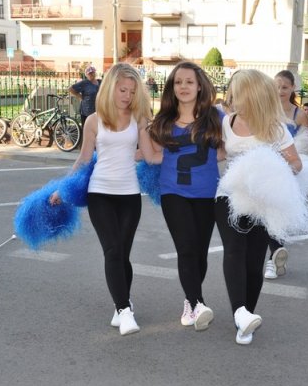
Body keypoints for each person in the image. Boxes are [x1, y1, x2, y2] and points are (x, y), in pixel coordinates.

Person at [51, 63, 152, 336]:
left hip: (130, 195)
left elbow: (148, 153)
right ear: (109, 88)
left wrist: (145, 152)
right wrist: (62, 189)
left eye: (132, 91)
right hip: (100, 194)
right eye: (122, 90)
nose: (127, 96)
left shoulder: (140, 118)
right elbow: (84, 159)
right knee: (112, 251)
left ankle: (122, 304)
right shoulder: (94, 121)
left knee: (124, 255)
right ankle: (125, 310)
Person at [216, 69, 302, 345]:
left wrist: (272, 167)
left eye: (237, 93)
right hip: (229, 197)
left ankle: (247, 319)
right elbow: (219, 154)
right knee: (233, 250)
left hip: (263, 202)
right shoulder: (227, 122)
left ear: (252, 94)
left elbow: (297, 164)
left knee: (254, 262)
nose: (232, 98)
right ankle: (240, 313)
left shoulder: (275, 128)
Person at [140, 62, 224, 331]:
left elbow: (225, 150)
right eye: (178, 82)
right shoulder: (163, 121)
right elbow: (153, 156)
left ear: (199, 86)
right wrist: (140, 130)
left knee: (199, 253)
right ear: (172, 87)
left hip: (206, 193)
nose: (183, 87)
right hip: (173, 192)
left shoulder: (215, 117)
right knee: (186, 247)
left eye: (189, 82)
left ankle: (191, 301)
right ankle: (198, 303)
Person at [263, 70, 308, 280]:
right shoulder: (265, 110)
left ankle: (274, 258)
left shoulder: (299, 114)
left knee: (278, 213)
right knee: (265, 213)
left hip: (289, 170)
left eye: (285, 87)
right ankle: (274, 255)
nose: (280, 91)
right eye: (277, 86)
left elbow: (306, 142)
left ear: (292, 88)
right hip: (266, 168)